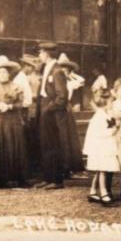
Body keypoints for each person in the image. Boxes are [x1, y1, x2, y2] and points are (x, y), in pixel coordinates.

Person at [0, 56, 29, 188]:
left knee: (14, 145)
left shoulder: (17, 87)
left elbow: (21, 104)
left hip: (13, 119)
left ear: (9, 74)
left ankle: (17, 178)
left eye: (4, 72)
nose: (2, 75)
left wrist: (10, 106)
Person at [34, 42, 68, 190]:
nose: (39, 55)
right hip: (44, 110)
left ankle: (56, 180)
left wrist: (49, 109)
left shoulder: (57, 71)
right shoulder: (47, 68)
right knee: (45, 144)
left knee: (53, 145)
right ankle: (47, 178)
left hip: (51, 113)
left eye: (40, 52)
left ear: (46, 54)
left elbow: (62, 97)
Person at [83, 87, 119, 206]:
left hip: (103, 146)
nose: (112, 104)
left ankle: (93, 191)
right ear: (105, 103)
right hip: (100, 148)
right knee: (102, 170)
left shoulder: (104, 114)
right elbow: (99, 133)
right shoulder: (99, 117)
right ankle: (104, 194)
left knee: (99, 171)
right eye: (111, 102)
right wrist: (113, 130)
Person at [57, 53, 86, 178]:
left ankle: (68, 167)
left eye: (66, 68)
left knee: (68, 137)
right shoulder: (57, 81)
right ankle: (61, 167)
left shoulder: (70, 83)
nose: (63, 70)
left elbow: (81, 80)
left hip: (66, 109)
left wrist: (71, 74)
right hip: (57, 108)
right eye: (61, 68)